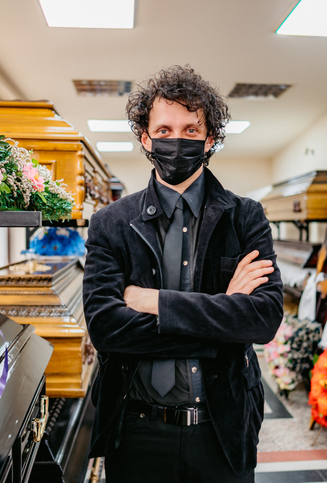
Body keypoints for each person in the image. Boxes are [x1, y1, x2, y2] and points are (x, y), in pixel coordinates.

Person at [82, 65, 284, 482]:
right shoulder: (112, 223)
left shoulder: (245, 217)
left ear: (210, 140)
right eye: (165, 129)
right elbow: (106, 328)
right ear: (145, 137)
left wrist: (152, 302)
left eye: (192, 130)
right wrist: (224, 312)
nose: (178, 140)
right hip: (136, 431)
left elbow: (263, 319)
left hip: (222, 428)